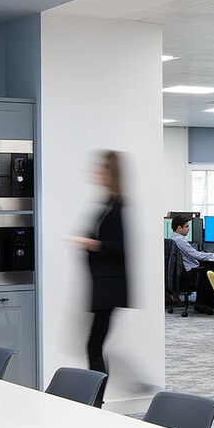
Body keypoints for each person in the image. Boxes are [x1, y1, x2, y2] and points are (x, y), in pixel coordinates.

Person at [70, 151, 127, 373]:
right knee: (94, 347)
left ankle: (96, 402)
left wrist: (94, 244)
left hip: (108, 289)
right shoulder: (108, 204)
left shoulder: (118, 207)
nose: (96, 173)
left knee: (93, 348)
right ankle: (97, 400)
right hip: (101, 287)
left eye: (101, 169)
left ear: (110, 173)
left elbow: (121, 247)